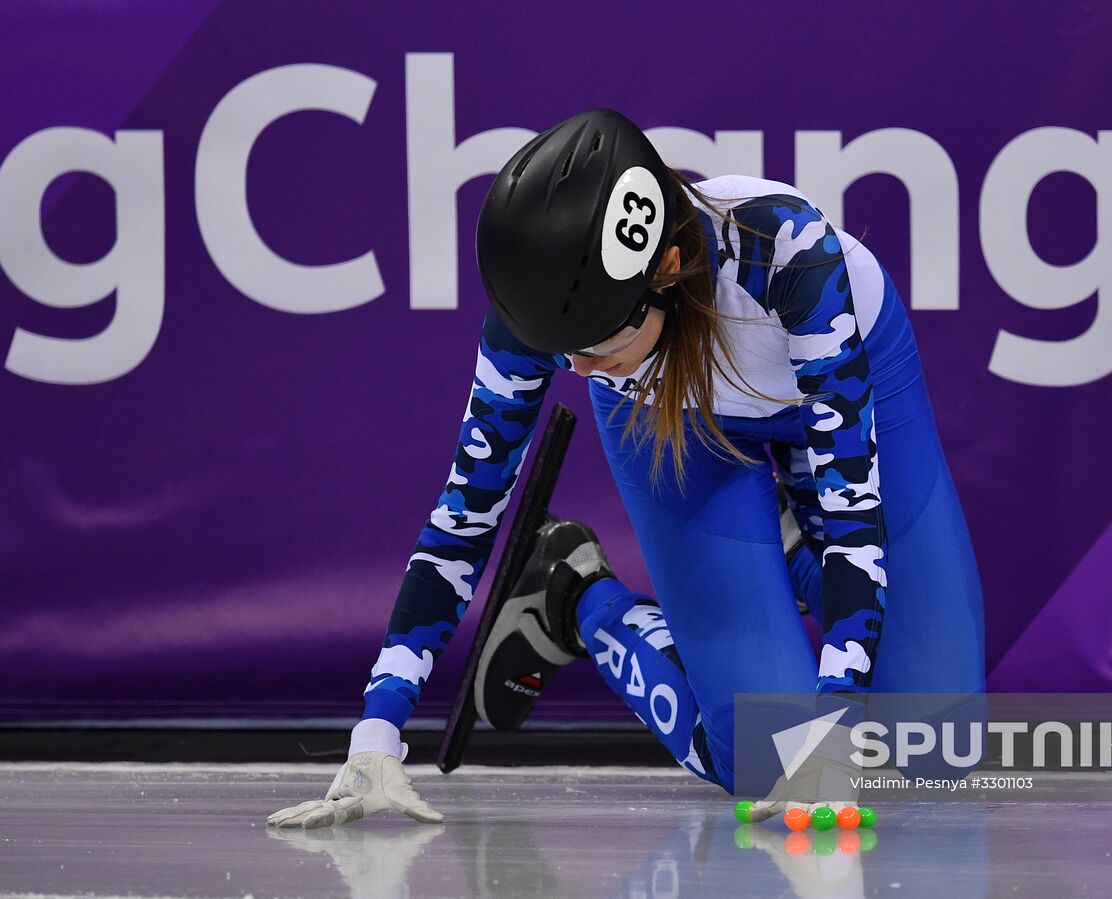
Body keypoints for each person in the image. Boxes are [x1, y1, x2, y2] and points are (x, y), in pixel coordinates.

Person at [268, 109, 985, 830]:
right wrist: (376, 732)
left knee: (940, 741)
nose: (575, 369)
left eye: (594, 344)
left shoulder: (791, 254)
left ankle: (788, 544)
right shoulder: (546, 319)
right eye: (558, 347)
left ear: (666, 272)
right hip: (674, 421)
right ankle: (574, 593)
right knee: (770, 762)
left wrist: (833, 727)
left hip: (837, 402)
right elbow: (466, 515)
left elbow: (856, 514)